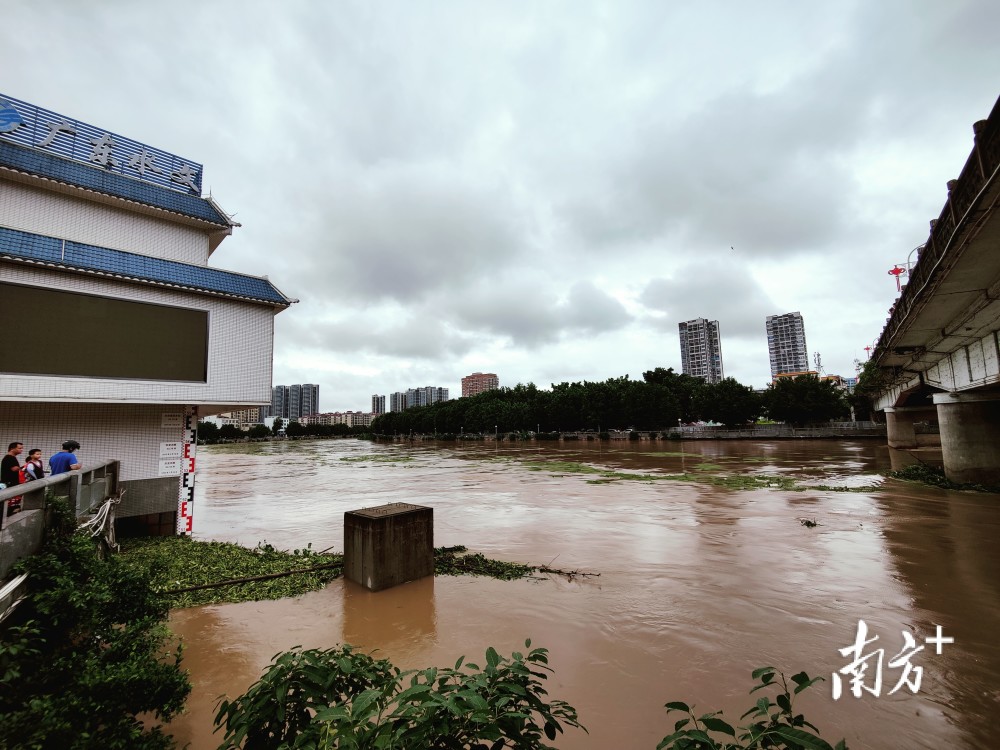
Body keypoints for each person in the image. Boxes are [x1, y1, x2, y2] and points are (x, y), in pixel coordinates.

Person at [2, 442, 23, 515]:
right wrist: (22, 468)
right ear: (12, 449)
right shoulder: (9, 458)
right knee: (10, 502)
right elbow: (14, 469)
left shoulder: (11, 457)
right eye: (19, 448)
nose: (21, 450)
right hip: (9, 483)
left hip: (10, 482)